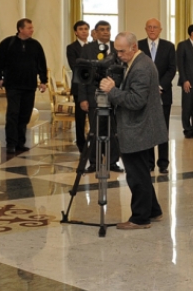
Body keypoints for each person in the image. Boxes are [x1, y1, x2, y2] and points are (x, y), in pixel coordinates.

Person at [101, 32, 167, 228]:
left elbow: (136, 101)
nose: (119, 55)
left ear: (134, 47)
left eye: (122, 51)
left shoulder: (141, 68)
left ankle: (140, 218)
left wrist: (112, 90)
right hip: (140, 127)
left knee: (136, 175)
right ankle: (153, 210)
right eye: (117, 51)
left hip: (138, 128)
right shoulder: (139, 62)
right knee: (141, 172)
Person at [0, 18, 48, 155]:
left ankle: (20, 143)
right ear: (20, 29)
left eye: (32, 28)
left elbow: (42, 64)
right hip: (13, 85)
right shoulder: (7, 43)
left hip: (29, 85)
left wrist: (43, 81)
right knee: (13, 114)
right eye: (29, 28)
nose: (32, 30)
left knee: (25, 115)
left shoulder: (36, 45)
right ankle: (11, 143)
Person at [74, 21, 121, 174]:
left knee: (113, 131)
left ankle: (113, 161)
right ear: (96, 32)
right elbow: (81, 75)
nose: (106, 32)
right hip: (93, 96)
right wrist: (83, 98)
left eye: (108, 29)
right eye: (102, 30)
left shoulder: (117, 48)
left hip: (114, 96)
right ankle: (94, 162)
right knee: (94, 130)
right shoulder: (88, 49)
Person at [138, 19, 176, 173]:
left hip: (163, 94)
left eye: (155, 27)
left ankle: (163, 163)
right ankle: (148, 163)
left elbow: (172, 69)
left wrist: (160, 86)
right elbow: (135, 68)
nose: (152, 30)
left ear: (160, 29)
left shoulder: (169, 46)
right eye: (149, 27)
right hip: (143, 95)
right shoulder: (138, 46)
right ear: (145, 29)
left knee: (162, 129)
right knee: (146, 129)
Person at [67, 20, 90, 152]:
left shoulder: (94, 46)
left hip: (93, 87)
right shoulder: (72, 48)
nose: (84, 31)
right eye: (81, 29)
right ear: (76, 32)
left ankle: (94, 142)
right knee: (80, 117)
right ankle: (81, 143)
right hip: (79, 86)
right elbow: (75, 66)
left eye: (86, 29)